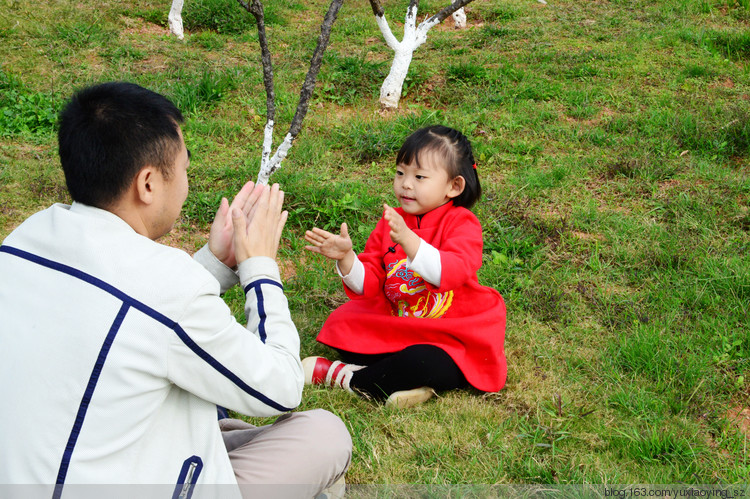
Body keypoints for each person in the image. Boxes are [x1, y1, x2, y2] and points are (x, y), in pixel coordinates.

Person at [0, 82, 351, 498]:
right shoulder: (168, 287)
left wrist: (216, 263)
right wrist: (260, 269)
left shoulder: (23, 241)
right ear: (148, 184)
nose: (187, 181)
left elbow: (136, 307)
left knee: (215, 418)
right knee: (323, 434)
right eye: (185, 169)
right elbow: (280, 388)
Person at [303, 125, 506, 409]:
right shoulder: (392, 220)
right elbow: (371, 283)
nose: (406, 184)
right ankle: (410, 385)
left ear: (454, 186)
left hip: (447, 334)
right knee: (342, 325)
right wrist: (346, 258)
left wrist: (410, 241)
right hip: (399, 324)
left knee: (426, 362)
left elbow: (451, 271)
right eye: (400, 173)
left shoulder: (462, 223)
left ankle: (346, 378)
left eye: (419, 177)